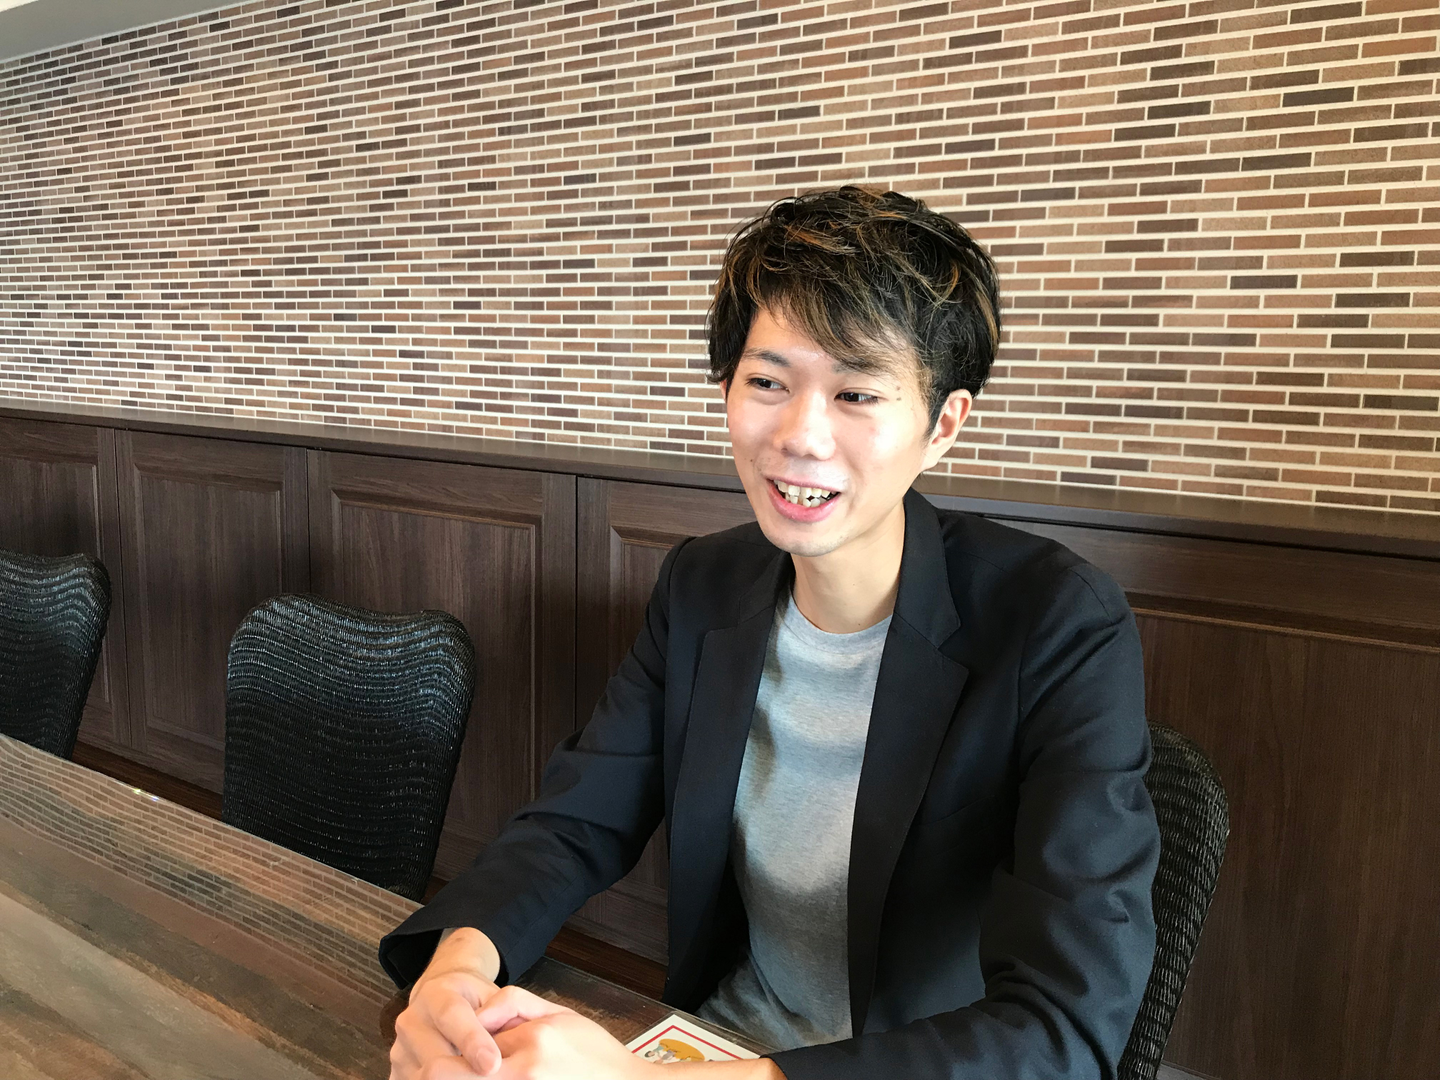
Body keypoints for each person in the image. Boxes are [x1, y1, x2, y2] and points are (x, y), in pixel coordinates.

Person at [381, 186, 1160, 1080]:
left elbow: (1062, 1025)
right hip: (719, 1045)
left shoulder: (1058, 622)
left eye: (857, 392)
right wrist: (458, 974)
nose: (800, 435)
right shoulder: (703, 587)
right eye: (767, 382)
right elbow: (575, 820)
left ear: (941, 424)